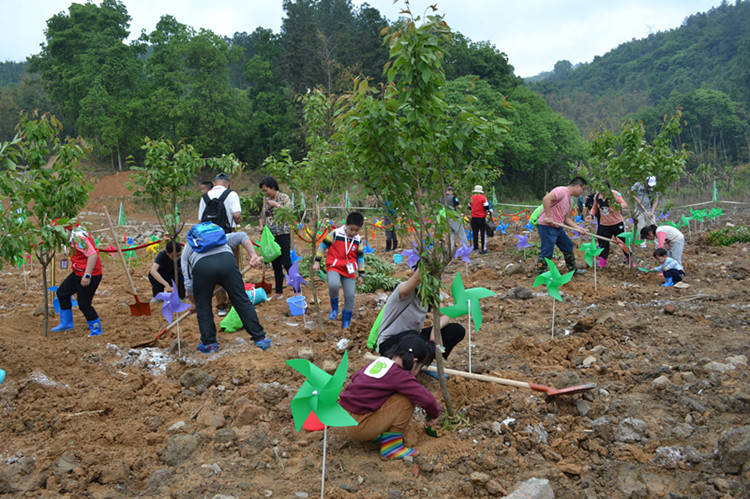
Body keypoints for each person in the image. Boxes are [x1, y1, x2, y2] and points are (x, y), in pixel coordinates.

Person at [339, 334, 440, 459]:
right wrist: (434, 414)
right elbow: (426, 399)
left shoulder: (380, 362)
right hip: (360, 428)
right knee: (407, 398)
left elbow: (356, 378)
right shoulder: (401, 376)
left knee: (387, 393)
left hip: (345, 419)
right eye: (420, 367)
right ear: (415, 362)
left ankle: (376, 431)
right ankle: (392, 447)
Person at [182, 229, 268, 353]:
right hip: (227, 262)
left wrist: (195, 303)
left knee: (204, 306)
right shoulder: (220, 237)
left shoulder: (188, 247)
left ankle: (209, 343)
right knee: (241, 300)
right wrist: (253, 254)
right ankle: (260, 338)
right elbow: (242, 235)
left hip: (203, 268)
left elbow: (188, 281)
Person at [377, 270, 465, 362]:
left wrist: (435, 331)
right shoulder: (404, 293)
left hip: (414, 341)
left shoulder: (430, 298)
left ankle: (430, 358)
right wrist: (427, 260)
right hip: (390, 345)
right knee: (415, 337)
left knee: (457, 330)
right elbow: (416, 279)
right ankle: (409, 365)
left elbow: (444, 315)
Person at [313, 212, 365, 329]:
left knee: (350, 295)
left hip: (349, 270)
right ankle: (334, 309)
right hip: (334, 266)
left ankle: (346, 318)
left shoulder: (358, 240)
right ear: (346, 224)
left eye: (356, 231)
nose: (353, 233)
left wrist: (361, 274)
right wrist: (317, 262)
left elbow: (360, 257)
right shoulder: (336, 234)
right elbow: (322, 246)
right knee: (333, 285)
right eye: (351, 229)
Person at [199, 173, 241, 315]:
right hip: (228, 237)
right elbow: (236, 215)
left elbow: (200, 221)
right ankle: (234, 303)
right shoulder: (232, 194)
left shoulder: (205, 197)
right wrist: (238, 221)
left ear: (215, 183)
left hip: (210, 240)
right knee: (233, 269)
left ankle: (221, 306)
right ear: (227, 183)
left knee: (215, 271)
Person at [50, 222, 103, 336]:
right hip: (78, 272)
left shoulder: (79, 239)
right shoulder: (70, 238)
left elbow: (93, 255)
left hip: (91, 274)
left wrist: (87, 275)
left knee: (84, 304)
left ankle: (96, 330)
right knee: (62, 292)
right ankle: (66, 323)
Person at [537, 177, 588, 275]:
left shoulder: (570, 200)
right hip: (547, 226)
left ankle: (573, 270)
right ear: (578, 186)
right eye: (583, 189)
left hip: (558, 226)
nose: (582, 192)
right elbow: (546, 198)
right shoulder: (561, 191)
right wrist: (548, 216)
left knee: (568, 245)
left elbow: (566, 219)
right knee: (547, 251)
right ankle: (541, 273)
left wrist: (577, 228)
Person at [259, 176, 293, 300]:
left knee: (286, 262)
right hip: (270, 235)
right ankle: (278, 291)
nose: (266, 193)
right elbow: (262, 214)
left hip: (282, 233)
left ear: (273, 187)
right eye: (264, 191)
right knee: (276, 263)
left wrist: (276, 205)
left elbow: (289, 211)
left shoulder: (284, 198)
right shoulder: (265, 199)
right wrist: (261, 226)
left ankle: (297, 288)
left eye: (266, 190)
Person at [587, 185, 628, 267]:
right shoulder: (597, 196)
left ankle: (630, 261)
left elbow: (624, 204)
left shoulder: (615, 194)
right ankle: (602, 265)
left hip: (617, 223)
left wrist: (616, 207)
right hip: (604, 224)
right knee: (603, 244)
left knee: (623, 243)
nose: (602, 192)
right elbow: (595, 208)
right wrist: (591, 215)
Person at [632, 176, 659, 247]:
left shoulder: (655, 189)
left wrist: (652, 212)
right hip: (638, 210)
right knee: (641, 226)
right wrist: (637, 199)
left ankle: (657, 242)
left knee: (653, 225)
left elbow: (656, 200)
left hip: (649, 210)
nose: (650, 186)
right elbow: (630, 192)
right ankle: (642, 242)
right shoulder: (638, 184)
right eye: (649, 184)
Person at [469, 185, 490, 254]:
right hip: (481, 217)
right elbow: (486, 206)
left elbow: (469, 207)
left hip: (473, 217)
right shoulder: (483, 198)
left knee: (475, 233)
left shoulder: (471, 198)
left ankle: (475, 248)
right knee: (483, 233)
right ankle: (483, 249)